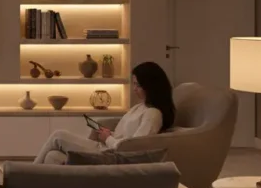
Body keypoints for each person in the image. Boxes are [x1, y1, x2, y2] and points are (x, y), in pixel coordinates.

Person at [34, 61, 175, 164]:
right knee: (52, 156)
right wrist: (108, 134)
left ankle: (26, 175)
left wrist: (108, 138)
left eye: (137, 84)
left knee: (58, 135)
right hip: (107, 147)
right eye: (133, 84)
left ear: (150, 85)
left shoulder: (153, 114)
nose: (134, 89)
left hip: (110, 155)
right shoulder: (139, 107)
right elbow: (125, 137)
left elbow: (134, 149)